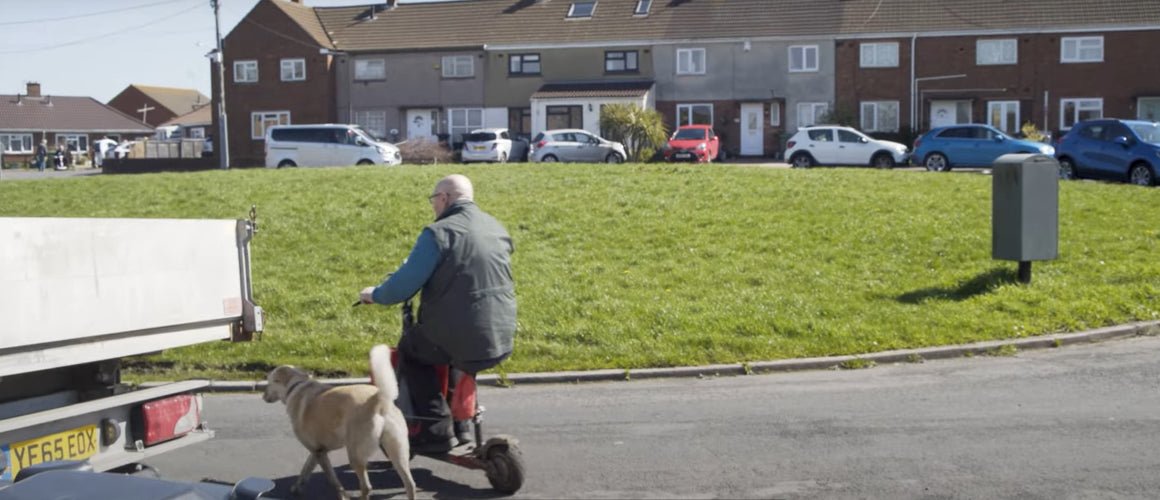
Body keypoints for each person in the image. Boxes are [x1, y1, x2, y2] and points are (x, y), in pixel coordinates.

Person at [359, 174, 516, 453]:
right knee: (460, 354)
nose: (433, 206)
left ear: (444, 198)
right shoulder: (496, 228)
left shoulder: (439, 233)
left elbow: (402, 286)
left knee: (413, 352)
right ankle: (463, 427)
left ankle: (435, 430)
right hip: (500, 333)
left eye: (434, 199)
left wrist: (374, 294)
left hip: (457, 333)